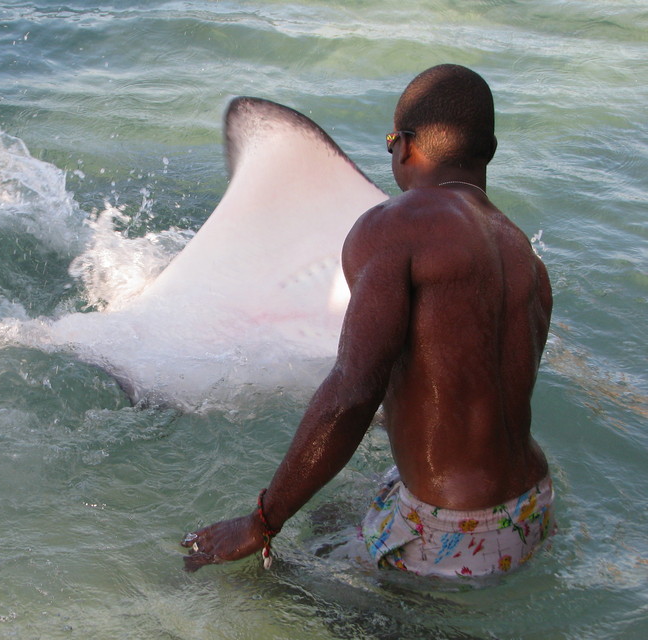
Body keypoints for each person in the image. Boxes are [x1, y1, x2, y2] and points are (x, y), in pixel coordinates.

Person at [181, 64, 555, 579]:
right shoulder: (523, 256)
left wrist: (262, 520)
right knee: (335, 516)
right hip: (531, 506)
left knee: (273, 587)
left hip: (452, 527)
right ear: (488, 152)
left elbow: (354, 389)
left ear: (404, 145)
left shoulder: (394, 226)